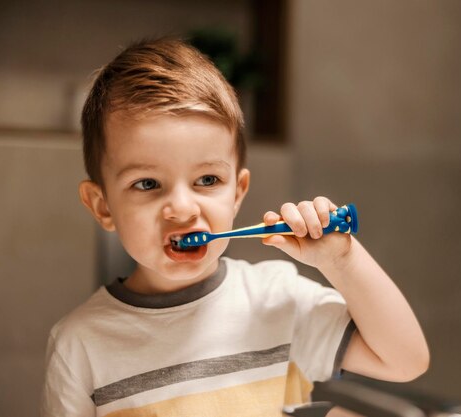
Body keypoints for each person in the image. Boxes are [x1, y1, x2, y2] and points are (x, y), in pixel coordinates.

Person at [41, 37, 429, 417]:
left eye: (207, 180)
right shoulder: (80, 345)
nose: (181, 208)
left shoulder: (275, 300)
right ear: (102, 205)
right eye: (147, 184)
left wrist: (342, 259)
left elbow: (405, 360)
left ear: (237, 192)